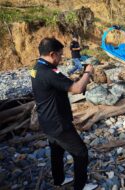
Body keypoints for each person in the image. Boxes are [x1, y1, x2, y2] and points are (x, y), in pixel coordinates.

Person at [31, 37, 97, 190]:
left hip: (46, 120)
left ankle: (58, 180)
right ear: (52, 54)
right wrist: (87, 72)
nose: (61, 58)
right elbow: (77, 89)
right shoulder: (49, 72)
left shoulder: (36, 67)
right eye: (60, 55)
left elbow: (58, 84)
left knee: (56, 150)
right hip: (58, 122)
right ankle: (80, 186)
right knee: (81, 153)